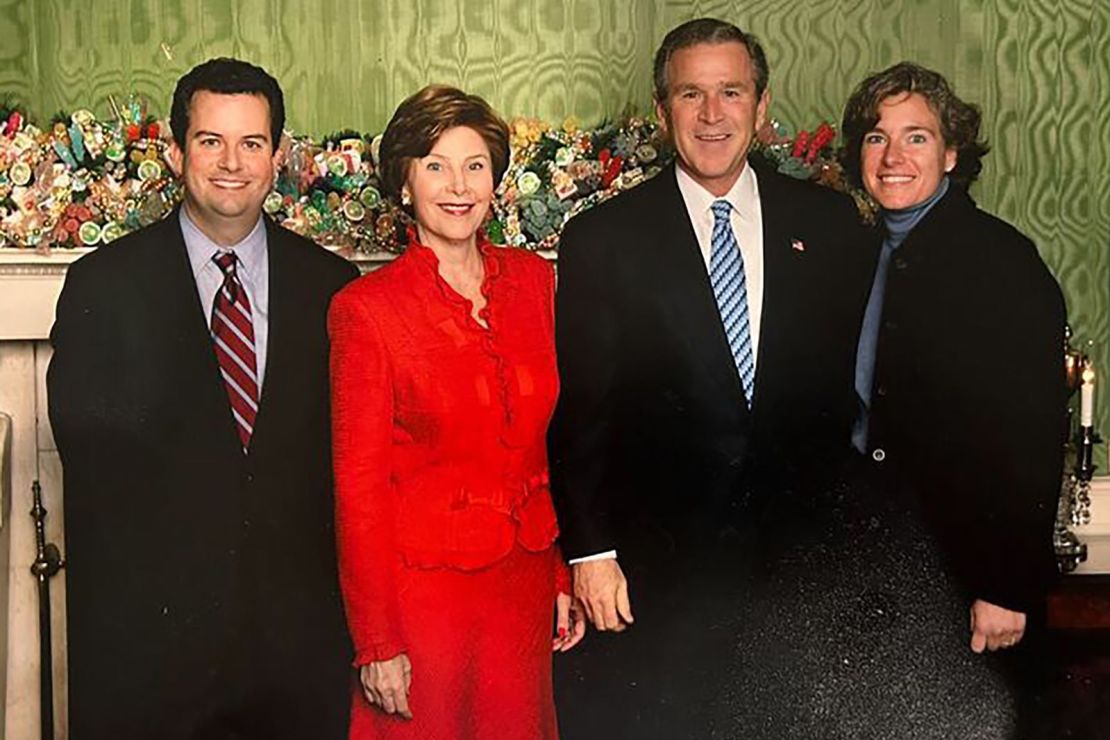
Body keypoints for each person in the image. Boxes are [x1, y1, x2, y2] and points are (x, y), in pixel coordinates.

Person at [717, 62, 1067, 738]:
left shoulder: (1001, 262)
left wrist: (1007, 585)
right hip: (859, 562)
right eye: (877, 139)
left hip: (963, 570)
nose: (894, 157)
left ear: (953, 152)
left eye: (917, 138)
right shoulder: (855, 250)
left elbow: (1030, 436)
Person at [549, 18, 871, 736]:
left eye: (731, 92)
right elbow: (584, 413)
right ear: (662, 113)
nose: (712, 114)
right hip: (663, 577)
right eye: (691, 94)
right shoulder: (604, 239)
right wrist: (592, 551)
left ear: (761, 107)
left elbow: (850, 400)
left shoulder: (831, 227)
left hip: (800, 571)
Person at [48, 58, 359, 739]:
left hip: (294, 656)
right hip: (157, 658)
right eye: (210, 141)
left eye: (251, 143)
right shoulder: (105, 288)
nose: (231, 163)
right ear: (175, 151)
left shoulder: (332, 288)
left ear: (279, 156)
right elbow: (96, 471)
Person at [328, 84, 584, 740]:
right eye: (435, 165)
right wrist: (377, 641)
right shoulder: (367, 310)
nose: (458, 185)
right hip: (424, 599)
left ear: (496, 179)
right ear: (404, 182)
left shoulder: (533, 283)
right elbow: (358, 491)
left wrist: (558, 569)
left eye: (475, 165)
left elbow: (545, 447)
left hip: (520, 585)